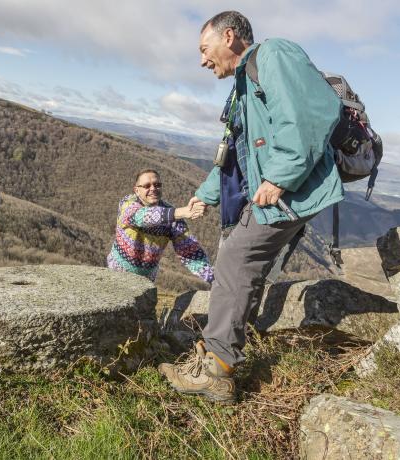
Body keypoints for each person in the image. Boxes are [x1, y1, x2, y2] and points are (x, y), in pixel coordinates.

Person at [158, 11, 344, 402]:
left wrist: (280, 177)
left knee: (236, 261)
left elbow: (309, 117)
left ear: (228, 37)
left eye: (204, 49)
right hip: (277, 190)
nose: (202, 60)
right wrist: (207, 193)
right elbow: (235, 155)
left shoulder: (274, 55)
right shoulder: (244, 84)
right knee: (241, 262)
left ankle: (217, 370)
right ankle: (219, 356)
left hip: (289, 190)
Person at [107, 169, 214, 284]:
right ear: (137, 190)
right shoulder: (127, 203)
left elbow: (189, 250)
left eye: (157, 185)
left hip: (146, 280)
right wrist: (181, 212)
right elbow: (142, 217)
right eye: (147, 186)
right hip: (117, 272)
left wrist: (214, 280)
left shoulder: (172, 218)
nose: (153, 188)